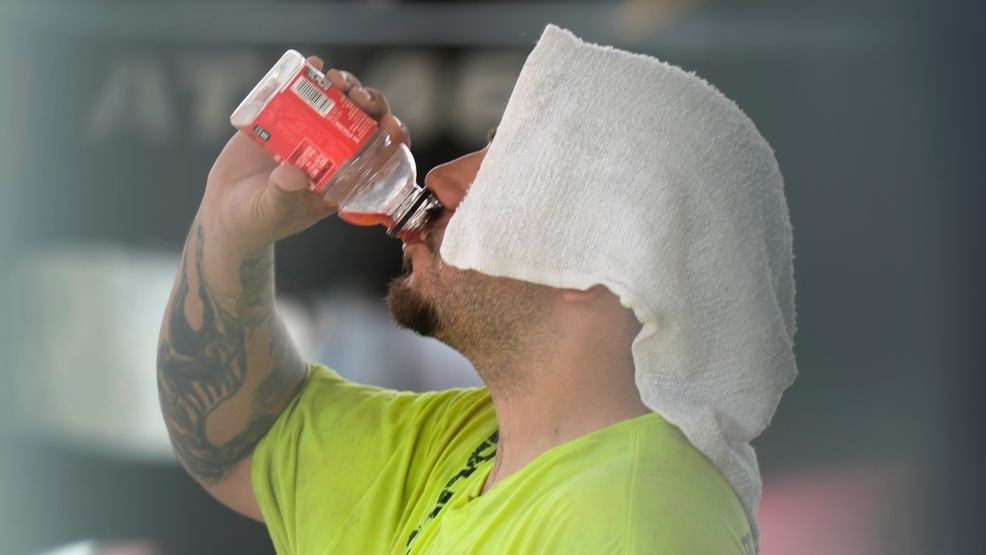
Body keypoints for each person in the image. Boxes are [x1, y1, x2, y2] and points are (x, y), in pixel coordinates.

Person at [157, 25, 795, 554]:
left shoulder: (634, 521)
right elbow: (240, 439)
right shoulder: (473, 445)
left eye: (510, 169)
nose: (441, 177)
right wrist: (230, 223)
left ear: (597, 270)